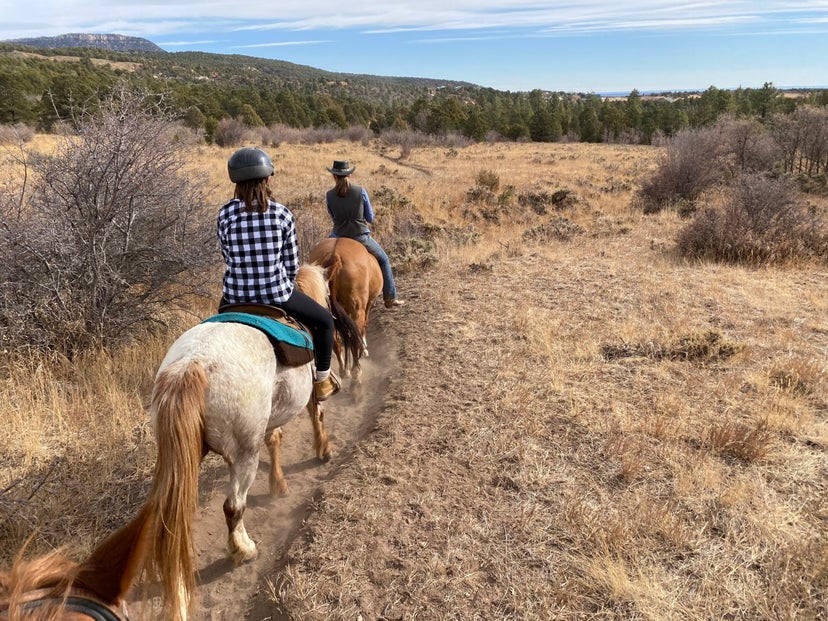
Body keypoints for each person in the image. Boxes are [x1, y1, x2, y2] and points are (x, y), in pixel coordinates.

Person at [218, 147, 340, 401]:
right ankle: (322, 381)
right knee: (325, 322)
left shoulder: (224, 214)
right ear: (267, 178)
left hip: (234, 298)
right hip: (276, 295)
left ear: (236, 182)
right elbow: (292, 266)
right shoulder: (282, 214)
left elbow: (227, 257)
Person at [325, 159, 405, 308]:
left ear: (334, 176)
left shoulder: (329, 195)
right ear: (349, 175)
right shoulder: (360, 191)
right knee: (384, 260)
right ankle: (390, 297)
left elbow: (333, 216)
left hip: (337, 236)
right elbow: (370, 217)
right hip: (360, 236)